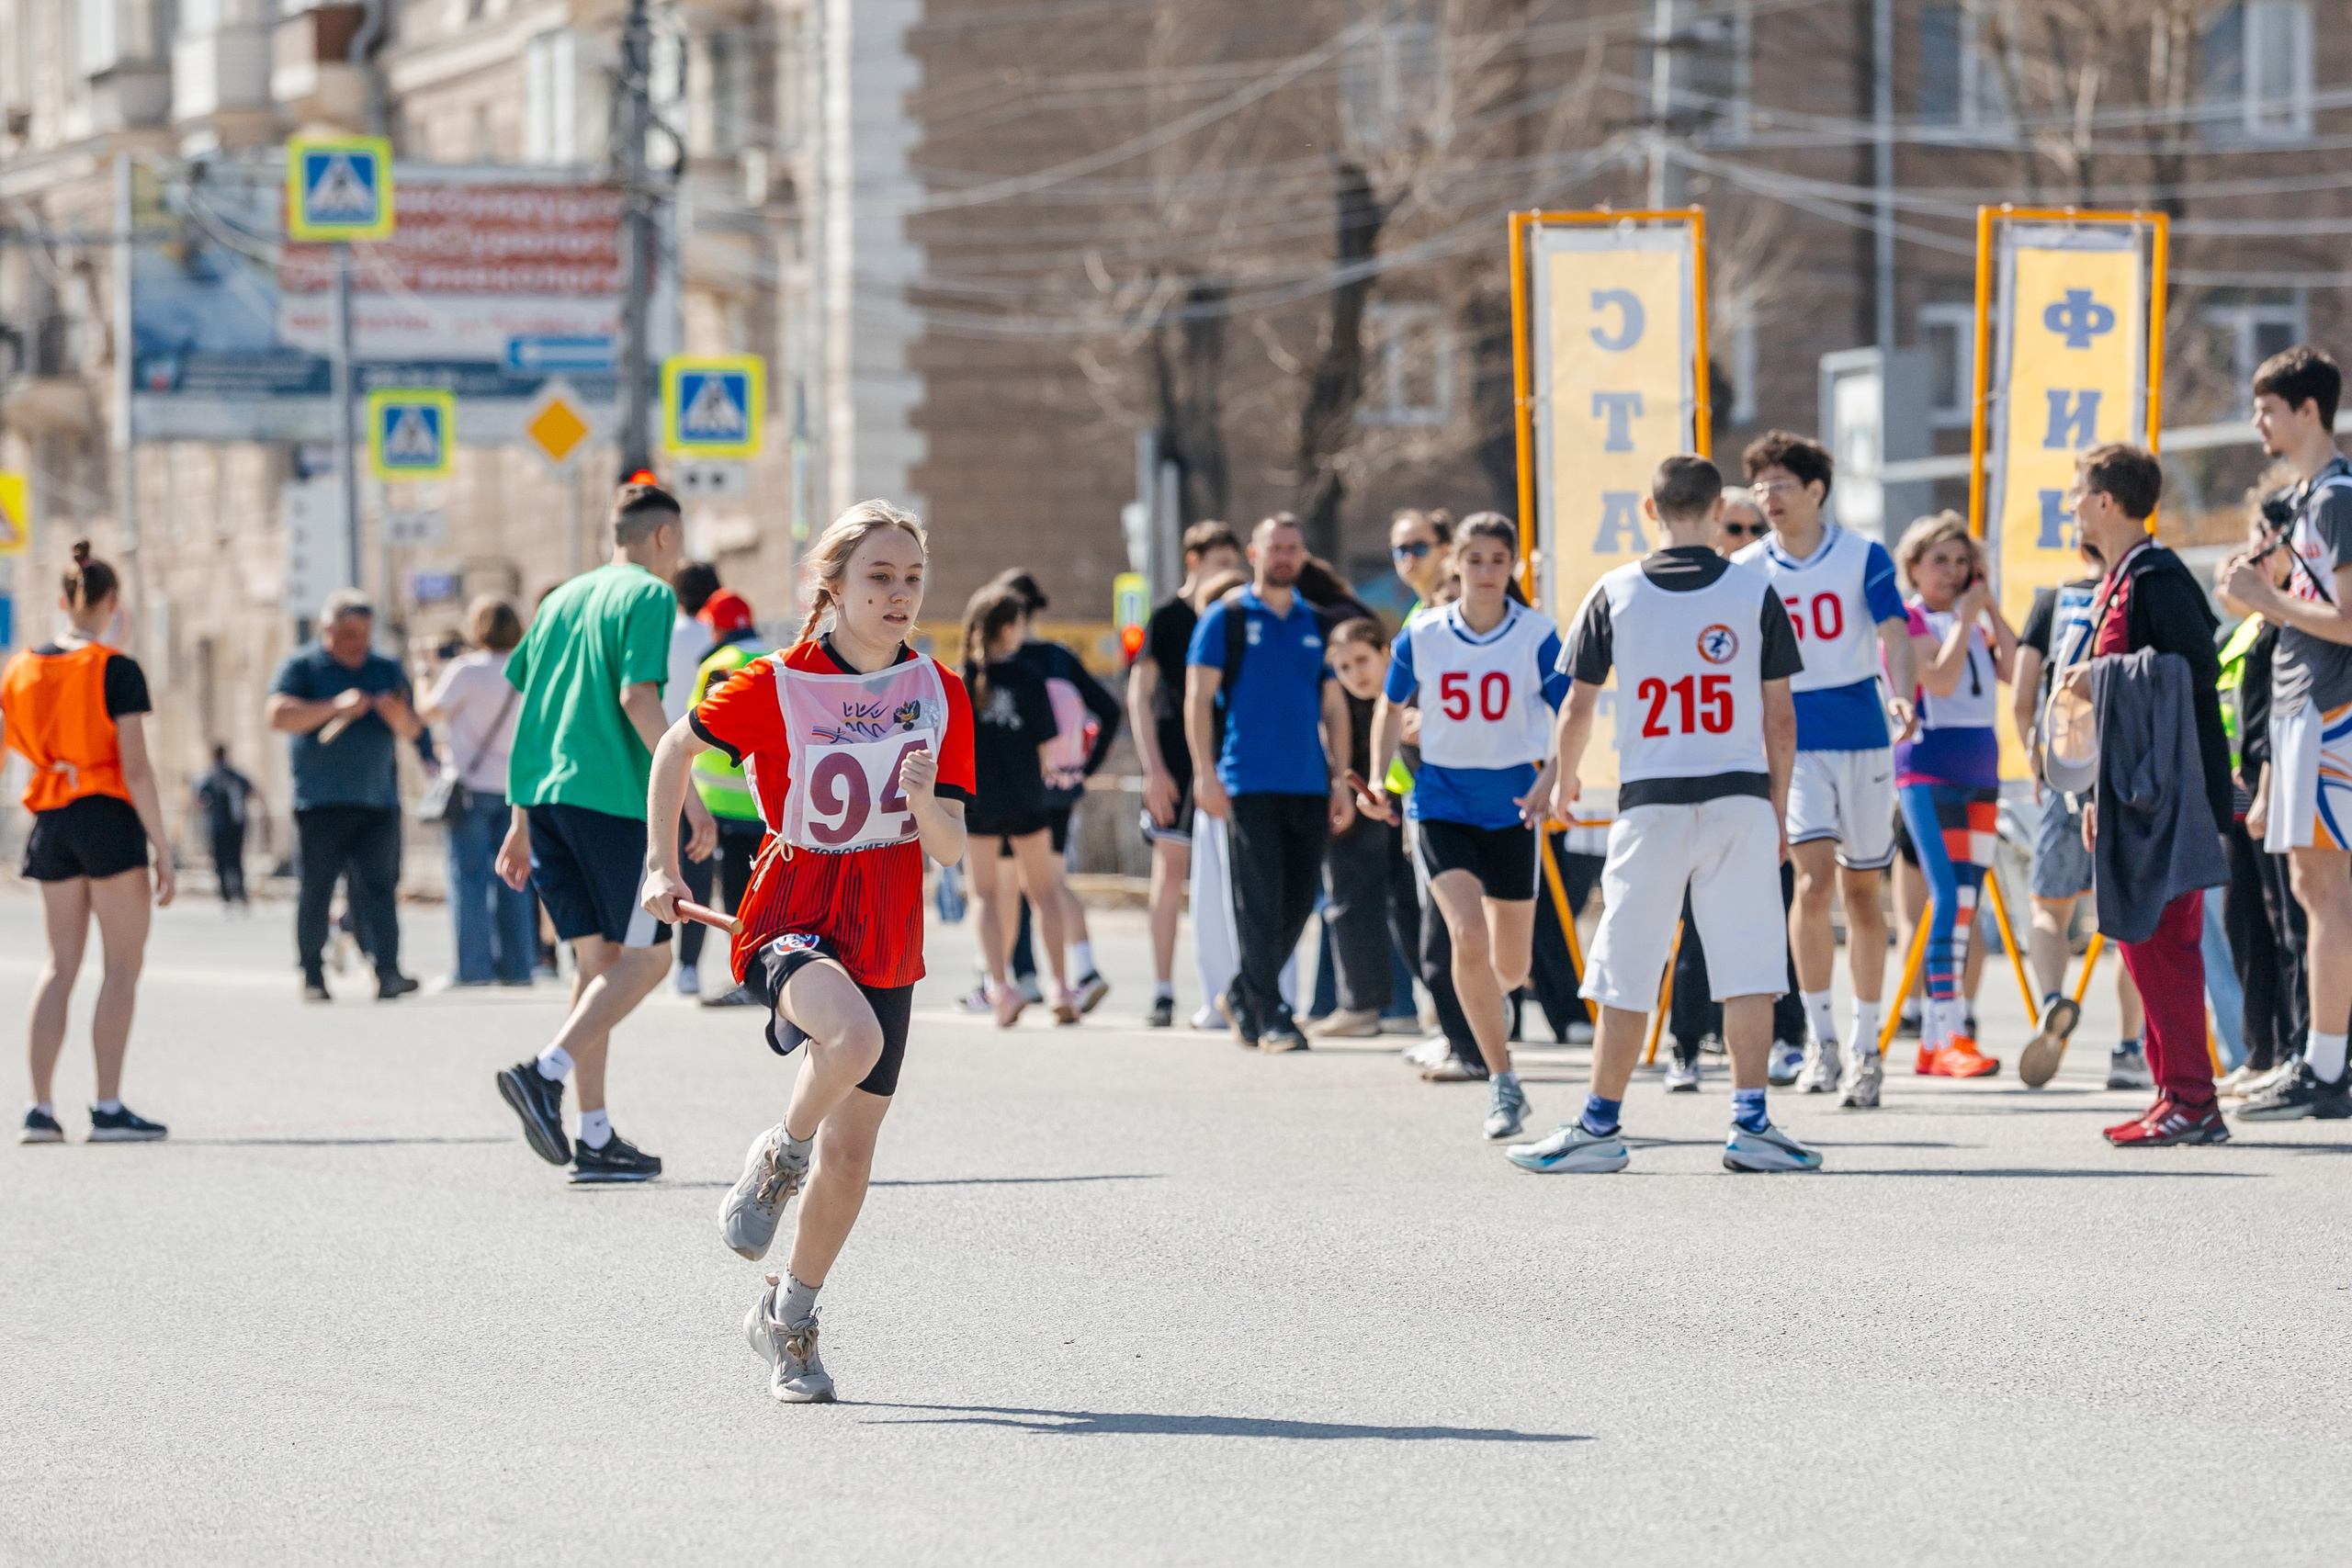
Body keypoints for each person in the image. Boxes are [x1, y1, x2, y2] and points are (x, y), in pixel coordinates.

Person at [642, 500, 973, 1404]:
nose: (899, 593)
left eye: (911, 577)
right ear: (830, 585)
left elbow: (950, 849)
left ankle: (787, 1316)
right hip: (793, 900)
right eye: (879, 576)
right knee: (852, 1042)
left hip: (889, 917)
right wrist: (659, 864)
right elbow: (674, 749)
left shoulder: (939, 692)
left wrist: (925, 801)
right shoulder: (776, 682)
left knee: (856, 1154)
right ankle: (780, 1155)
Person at [1510, 455, 1817, 1174]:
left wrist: (1566, 780)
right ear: (1718, 513)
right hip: (1739, 795)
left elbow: (1578, 706)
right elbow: (1781, 717)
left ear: (1650, 512)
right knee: (1748, 967)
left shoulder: (1614, 590)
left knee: (1626, 965)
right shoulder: (1755, 588)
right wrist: (1777, 807)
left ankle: (1599, 1125)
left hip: (1651, 801)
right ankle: (1751, 1123)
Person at [492, 482, 718, 1185]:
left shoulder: (560, 599)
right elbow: (636, 696)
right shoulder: (649, 595)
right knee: (650, 959)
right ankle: (543, 1072)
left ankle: (594, 1137)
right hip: (611, 799)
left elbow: (531, 702)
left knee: (598, 967)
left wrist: (519, 818)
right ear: (666, 538)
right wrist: (689, 798)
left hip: (547, 798)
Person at [1363, 513, 1565, 1141]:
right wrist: (1378, 776)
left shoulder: (1537, 634)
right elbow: (1389, 706)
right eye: (1473, 560)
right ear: (1456, 563)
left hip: (1512, 805)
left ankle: (1490, 1001)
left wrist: (1553, 775)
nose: (1484, 572)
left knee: (1510, 962)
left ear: (1512, 567)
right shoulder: (1423, 633)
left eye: (1496, 560)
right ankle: (1503, 1082)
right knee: (1466, 937)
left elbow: (1573, 714)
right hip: (1442, 798)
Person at [1733, 432, 1918, 1103]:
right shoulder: (1748, 565)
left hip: (1862, 734)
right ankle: (1822, 1041)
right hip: (1791, 736)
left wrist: (1902, 692)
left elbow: (1894, 631)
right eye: (1759, 486)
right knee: (1810, 885)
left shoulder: (1861, 555)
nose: (1767, 497)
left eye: (1780, 483)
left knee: (1863, 892)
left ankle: (1869, 1044)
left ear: (1815, 490)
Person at [2055, 444, 2232, 1144]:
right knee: (2142, 944)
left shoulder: (2158, 577)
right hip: (2131, 793)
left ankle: (2194, 1099)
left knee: (2166, 945)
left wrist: (2100, 675)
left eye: (2076, 492)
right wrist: (2097, 793)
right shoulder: (2115, 578)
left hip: (2169, 797)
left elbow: (2195, 669)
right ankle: (2172, 1094)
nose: (2070, 505)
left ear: (2105, 501)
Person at [2220, 345, 2352, 1122]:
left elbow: (2347, 621)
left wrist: (2261, 599)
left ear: (2309, 410)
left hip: (2333, 710)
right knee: (2310, 887)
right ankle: (2319, 1056)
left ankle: (2328, 1067)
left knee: (2325, 889)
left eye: (2269, 407)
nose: (2258, 421)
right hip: (2305, 709)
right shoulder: (2309, 497)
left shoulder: (2335, 496)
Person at [6, 542, 176, 1144]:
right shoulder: (115, 667)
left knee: (58, 966)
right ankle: (106, 1107)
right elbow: (135, 766)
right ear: (112, 603)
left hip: (50, 818)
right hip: (106, 816)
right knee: (121, 966)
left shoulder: (20, 667)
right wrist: (163, 845)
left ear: (61, 599)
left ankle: (40, 1108)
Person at [1185, 513, 1356, 1052]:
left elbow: (1334, 707)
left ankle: (1243, 994)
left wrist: (1341, 781)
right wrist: (1204, 774)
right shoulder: (1226, 618)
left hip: (1308, 782)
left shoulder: (1318, 622)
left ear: (1303, 557)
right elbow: (1197, 700)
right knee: (1258, 899)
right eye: (1274, 547)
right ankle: (1274, 1014)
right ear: (1255, 554)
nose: (1284, 556)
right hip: (1247, 781)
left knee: (1301, 899)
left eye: (1293, 548)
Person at [1665, 487, 1809, 1089]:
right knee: (1695, 928)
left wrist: (1780, 799)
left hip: (1754, 781)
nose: (1745, 537)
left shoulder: (1760, 595)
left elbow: (1782, 710)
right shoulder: (1678, 600)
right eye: (1734, 526)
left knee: (1770, 916)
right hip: (1686, 780)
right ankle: (1685, 1045)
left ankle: (1787, 1037)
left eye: (1755, 527)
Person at [2012, 536, 2149, 1089]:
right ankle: (2129, 1048)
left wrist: (2036, 759)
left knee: (2049, 908)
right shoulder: (2136, 595)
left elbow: (2024, 695)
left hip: (2066, 769)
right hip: (2124, 775)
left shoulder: (2053, 602)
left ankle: (2051, 1000)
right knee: (2128, 923)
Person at [1891, 511, 2016, 1081]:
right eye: (1938, 559)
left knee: (1970, 899)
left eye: (1961, 561)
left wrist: (1988, 606)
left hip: (1980, 767)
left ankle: (1945, 1034)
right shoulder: (1907, 621)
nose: (1951, 571)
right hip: (1928, 767)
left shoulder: (1977, 619)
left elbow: (2017, 668)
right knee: (1946, 896)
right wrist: (1964, 622)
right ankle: (1945, 1030)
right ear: (1913, 566)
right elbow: (1935, 681)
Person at [266, 588, 423, 1002]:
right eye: (349, 633)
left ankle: (387, 970)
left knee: (380, 889)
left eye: (365, 634)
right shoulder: (302, 667)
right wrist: (335, 706)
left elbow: (413, 728)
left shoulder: (385, 667)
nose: (358, 643)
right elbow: (278, 714)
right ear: (328, 629)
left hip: (378, 801)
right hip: (320, 802)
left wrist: (395, 715)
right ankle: (312, 974)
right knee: (316, 890)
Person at [990, 570, 1123, 1012]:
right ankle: (1061, 974)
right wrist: (1084, 768)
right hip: (1063, 785)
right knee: (1046, 881)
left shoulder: (1005, 664)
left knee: (1013, 885)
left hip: (1019, 788)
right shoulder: (1060, 657)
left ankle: (1029, 978)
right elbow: (1108, 709)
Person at [2215, 472, 2309, 1097]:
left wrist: (2269, 783)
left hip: (2276, 783)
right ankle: (2261, 1048)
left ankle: (2304, 1047)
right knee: (2244, 919)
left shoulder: (2287, 622)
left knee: (2289, 921)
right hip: (2237, 789)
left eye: (2266, 539)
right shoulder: (2242, 629)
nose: (2252, 552)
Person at [1128, 521, 1243, 1026]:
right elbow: (1139, 694)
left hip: (1229, 755)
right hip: (1175, 759)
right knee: (1171, 872)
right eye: (1219, 562)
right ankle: (1162, 988)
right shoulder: (1168, 617)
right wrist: (1152, 768)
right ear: (1194, 560)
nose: (1228, 572)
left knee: (1227, 876)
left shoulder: (1237, 614)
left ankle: (1227, 989)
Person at [961, 584, 1078, 1026]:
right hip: (1028, 794)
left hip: (980, 799)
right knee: (1043, 892)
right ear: (1008, 627)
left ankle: (1000, 987)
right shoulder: (1030, 676)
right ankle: (1060, 987)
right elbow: (1047, 745)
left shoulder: (961, 678)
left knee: (985, 895)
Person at [421, 594, 535, 987]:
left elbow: (429, 710)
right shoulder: (528, 668)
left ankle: (473, 968)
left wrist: (423, 671)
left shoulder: (465, 670)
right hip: (515, 788)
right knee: (515, 878)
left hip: (470, 787)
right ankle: (520, 966)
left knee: (468, 879)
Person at [684, 588, 773, 1008]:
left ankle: (746, 979)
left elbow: (696, 732)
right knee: (760, 897)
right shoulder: (776, 659)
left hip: (719, 805)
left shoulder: (717, 665)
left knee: (730, 900)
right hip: (766, 805)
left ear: (717, 626)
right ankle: (763, 976)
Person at [1317, 617, 1402, 1038]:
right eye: (1344, 667)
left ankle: (1445, 1008)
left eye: (1363, 661)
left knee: (1415, 907)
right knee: (1349, 900)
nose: (1356, 674)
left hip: (1408, 809)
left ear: (1386, 653)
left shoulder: (1409, 692)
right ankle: (1360, 1005)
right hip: (1357, 806)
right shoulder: (1338, 703)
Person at [665, 560, 723, 996]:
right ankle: (688, 966)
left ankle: (640, 953)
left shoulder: (664, 632)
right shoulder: (714, 639)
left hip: (657, 757)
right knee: (697, 868)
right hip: (705, 766)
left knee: (655, 860)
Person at [191, 745, 256, 910]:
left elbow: (199, 801)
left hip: (218, 826)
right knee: (235, 859)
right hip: (235, 826)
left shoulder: (211, 778)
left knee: (221, 860)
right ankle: (238, 892)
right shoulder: (234, 776)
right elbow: (251, 792)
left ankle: (227, 895)